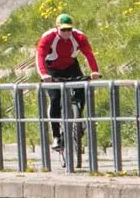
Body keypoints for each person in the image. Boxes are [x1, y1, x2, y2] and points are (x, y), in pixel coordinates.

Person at [36, 13, 100, 158]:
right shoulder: (48, 37)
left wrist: (95, 71)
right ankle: (56, 136)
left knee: (81, 89)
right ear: (57, 28)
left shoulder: (79, 37)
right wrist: (44, 75)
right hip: (52, 68)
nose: (66, 33)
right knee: (55, 99)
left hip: (71, 66)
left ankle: (77, 119)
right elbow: (39, 56)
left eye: (69, 29)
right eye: (63, 30)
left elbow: (88, 54)